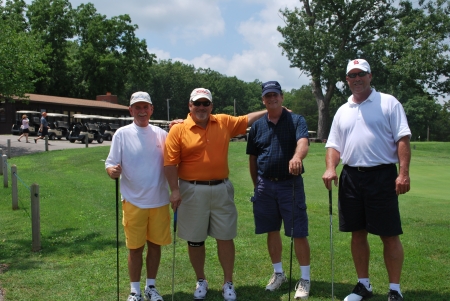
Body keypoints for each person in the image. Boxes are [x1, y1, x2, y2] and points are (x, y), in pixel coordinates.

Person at [164, 88, 266, 301]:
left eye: (205, 103)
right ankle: (201, 279)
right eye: (197, 103)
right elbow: (170, 163)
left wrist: (272, 108)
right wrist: (174, 190)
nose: (201, 107)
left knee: (225, 236)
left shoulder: (223, 122)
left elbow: (246, 119)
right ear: (190, 106)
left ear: (211, 106)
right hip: (190, 190)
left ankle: (228, 282)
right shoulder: (178, 129)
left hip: (221, 188)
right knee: (195, 239)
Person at [322, 59, 411, 301]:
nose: (357, 78)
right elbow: (333, 145)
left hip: (381, 175)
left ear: (370, 76)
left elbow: (403, 139)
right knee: (357, 233)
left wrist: (403, 173)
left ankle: (394, 289)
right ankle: (364, 285)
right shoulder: (343, 110)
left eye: (361, 74)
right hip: (351, 177)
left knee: (389, 234)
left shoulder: (388, 103)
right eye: (352, 75)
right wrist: (331, 168)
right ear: (347, 80)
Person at [246, 81, 311, 300]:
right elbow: (253, 158)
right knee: (271, 229)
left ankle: (305, 278)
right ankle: (278, 274)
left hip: (289, 183)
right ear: (263, 100)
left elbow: (303, 142)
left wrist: (296, 157)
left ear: (282, 97)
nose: (272, 98)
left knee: (298, 232)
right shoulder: (257, 126)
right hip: (265, 184)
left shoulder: (296, 120)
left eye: (275, 95)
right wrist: (257, 184)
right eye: (267, 96)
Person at [106, 91, 170, 301]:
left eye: (146, 107)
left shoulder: (162, 134)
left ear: (151, 109)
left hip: (159, 200)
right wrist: (112, 171)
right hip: (133, 200)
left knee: (155, 246)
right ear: (131, 110)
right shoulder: (122, 134)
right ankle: (135, 291)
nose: (142, 111)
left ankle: (151, 287)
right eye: (138, 107)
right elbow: (110, 163)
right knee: (135, 248)